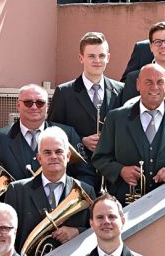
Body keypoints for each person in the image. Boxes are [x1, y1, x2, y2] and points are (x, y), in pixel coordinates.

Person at [94, 64, 165, 200]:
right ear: (138, 85)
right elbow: (100, 158)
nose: (155, 87)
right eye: (148, 82)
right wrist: (121, 170)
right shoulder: (115, 118)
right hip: (125, 202)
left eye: (160, 82)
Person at [4, 127, 96, 256]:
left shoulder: (87, 190)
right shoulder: (17, 191)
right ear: (39, 158)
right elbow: (7, 234)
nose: (53, 156)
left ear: (68, 156)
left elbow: (95, 231)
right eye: (47, 152)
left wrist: (77, 232)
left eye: (59, 152)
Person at [0, 84, 90, 185]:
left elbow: (86, 174)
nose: (34, 107)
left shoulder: (68, 134)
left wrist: (69, 198)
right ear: (18, 105)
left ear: (47, 106)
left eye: (40, 102)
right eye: (28, 102)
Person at [48, 32, 124, 165]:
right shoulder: (64, 92)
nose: (97, 60)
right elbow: (53, 130)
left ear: (108, 57)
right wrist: (81, 141)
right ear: (81, 58)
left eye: (101, 55)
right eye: (91, 56)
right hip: (78, 167)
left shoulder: (121, 89)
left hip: (112, 168)